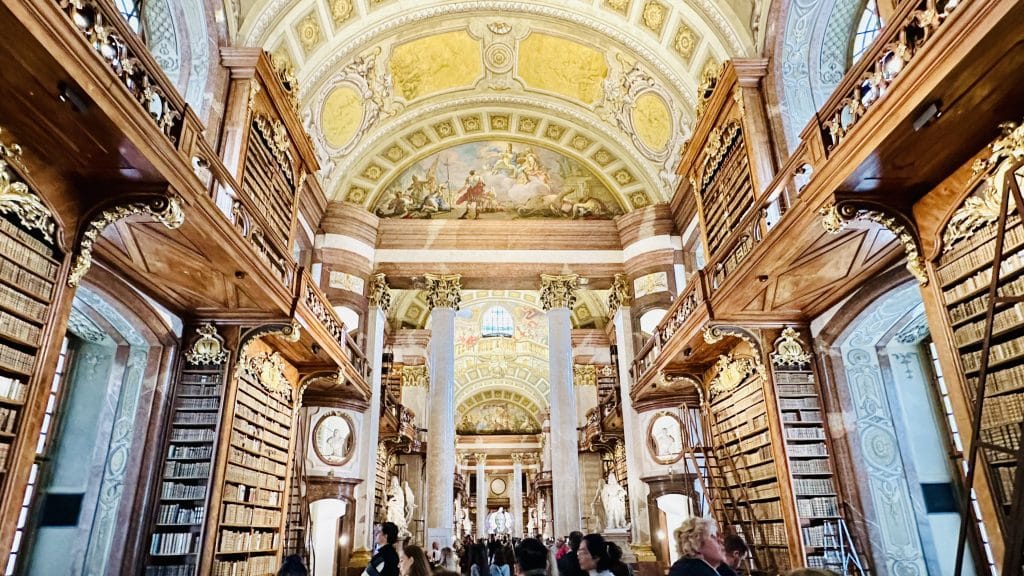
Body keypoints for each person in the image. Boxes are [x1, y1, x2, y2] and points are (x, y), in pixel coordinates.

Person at [667, 518, 735, 576]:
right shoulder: (693, 571)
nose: (721, 540)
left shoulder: (687, 566)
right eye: (712, 536)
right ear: (695, 543)